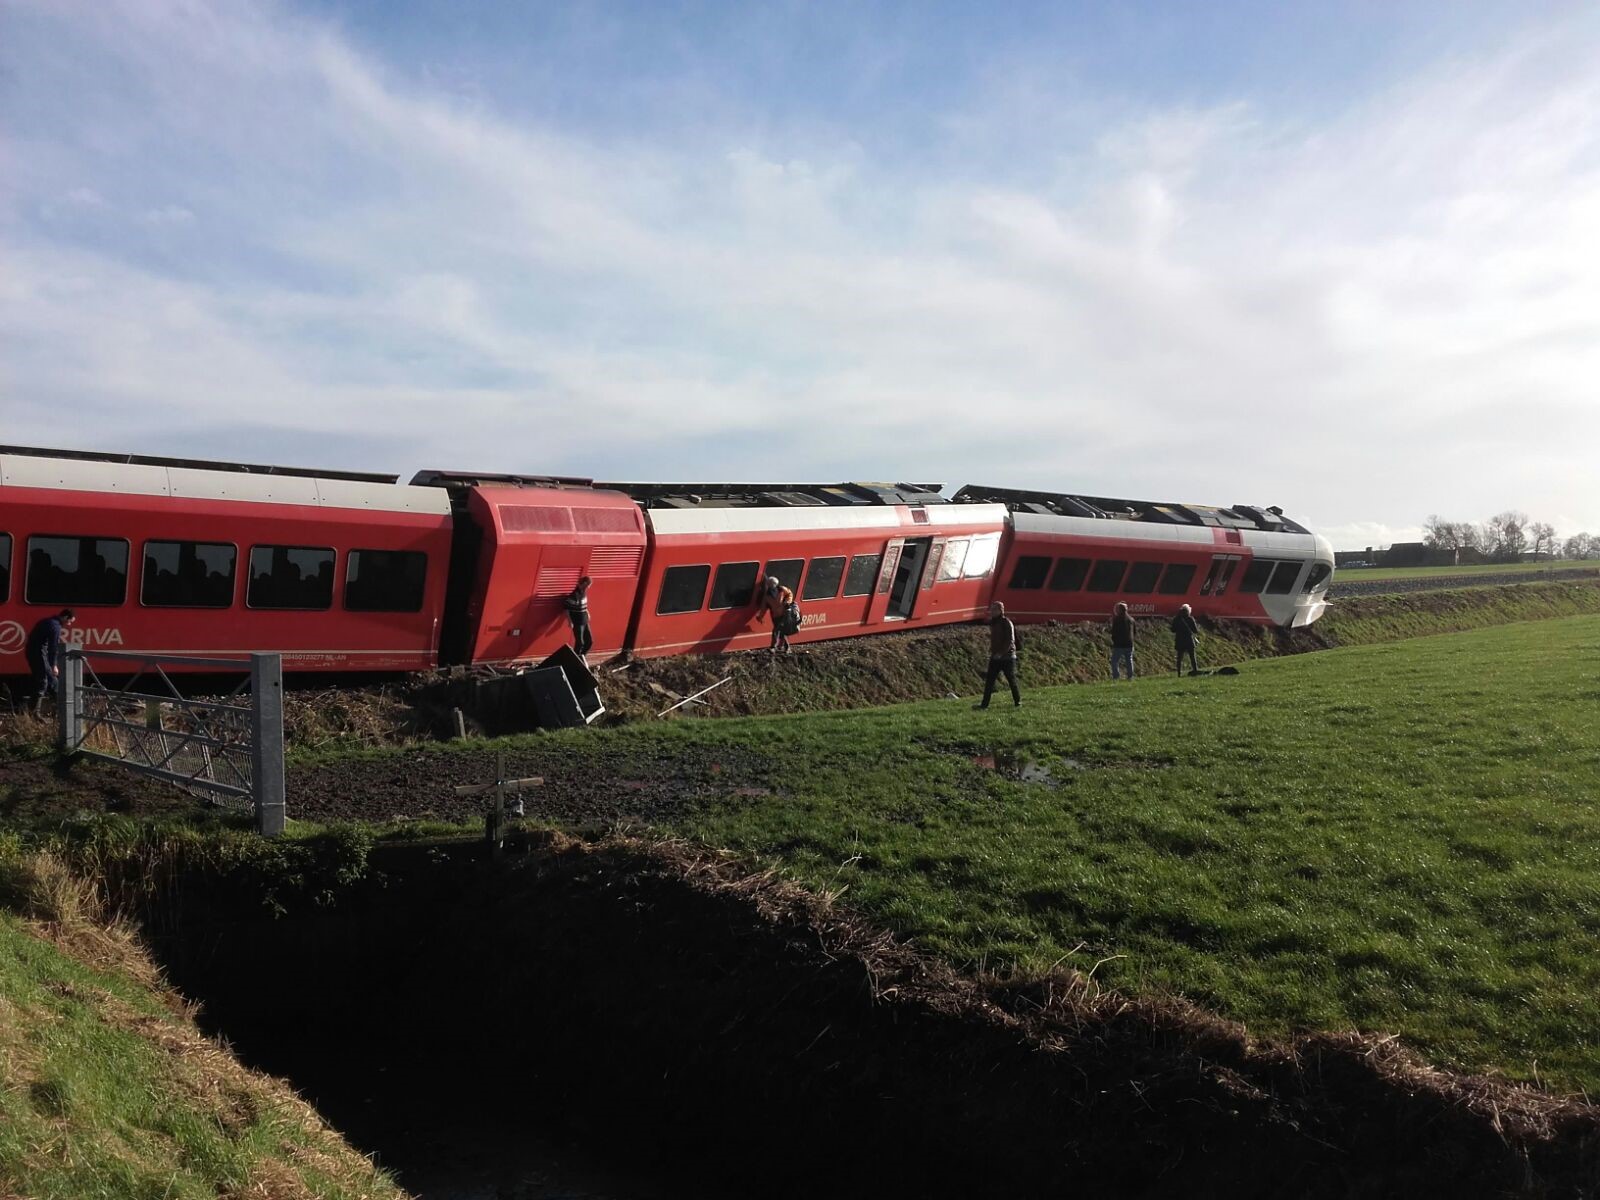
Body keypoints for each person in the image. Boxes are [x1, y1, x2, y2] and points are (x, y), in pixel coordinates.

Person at [26, 608, 75, 718]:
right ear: (65, 617)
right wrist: (54, 665)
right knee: (48, 682)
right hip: (39, 654)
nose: (69, 624)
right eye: (69, 621)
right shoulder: (55, 627)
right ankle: (62, 713)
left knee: (45, 681)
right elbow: (53, 648)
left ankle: (36, 713)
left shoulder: (47, 621)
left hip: (33, 653)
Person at [977, 601, 1021, 708]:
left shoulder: (1006, 623)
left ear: (1000, 611)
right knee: (989, 681)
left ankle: (1017, 701)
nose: (991, 612)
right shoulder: (994, 623)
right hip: (996, 656)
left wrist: (1001, 653)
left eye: (994, 609)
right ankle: (984, 705)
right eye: (991, 609)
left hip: (1007, 657)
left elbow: (1010, 641)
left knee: (1011, 680)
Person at [754, 574, 795, 654]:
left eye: (771, 584)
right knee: (780, 630)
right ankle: (784, 647)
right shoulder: (767, 596)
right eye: (769, 584)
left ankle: (774, 647)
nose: (770, 586)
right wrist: (760, 617)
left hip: (784, 613)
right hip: (775, 615)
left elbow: (790, 594)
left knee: (777, 630)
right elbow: (764, 608)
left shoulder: (782, 589)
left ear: (775, 584)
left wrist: (787, 602)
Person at [563, 576, 593, 661]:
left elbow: (584, 605)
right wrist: (570, 621)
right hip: (577, 622)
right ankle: (574, 660)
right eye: (588, 585)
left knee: (589, 642)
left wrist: (587, 612)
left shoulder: (583, 593)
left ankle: (581, 658)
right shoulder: (574, 596)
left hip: (585, 621)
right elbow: (566, 609)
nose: (589, 587)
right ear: (584, 584)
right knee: (580, 643)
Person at [1170, 603, 1199, 675]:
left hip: (1179, 640)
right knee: (1192, 657)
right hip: (1189, 640)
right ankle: (1195, 670)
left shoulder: (1177, 619)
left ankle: (1179, 672)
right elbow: (1195, 630)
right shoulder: (1190, 619)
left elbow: (1173, 630)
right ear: (1188, 611)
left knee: (1179, 658)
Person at [1109, 602, 1136, 681]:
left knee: (1114, 661)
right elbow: (1134, 632)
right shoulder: (1131, 619)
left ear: (1120, 610)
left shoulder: (1116, 619)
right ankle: (1130, 676)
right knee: (1129, 661)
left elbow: (1114, 631)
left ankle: (1116, 676)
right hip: (1129, 643)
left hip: (1119, 644)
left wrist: (1114, 640)